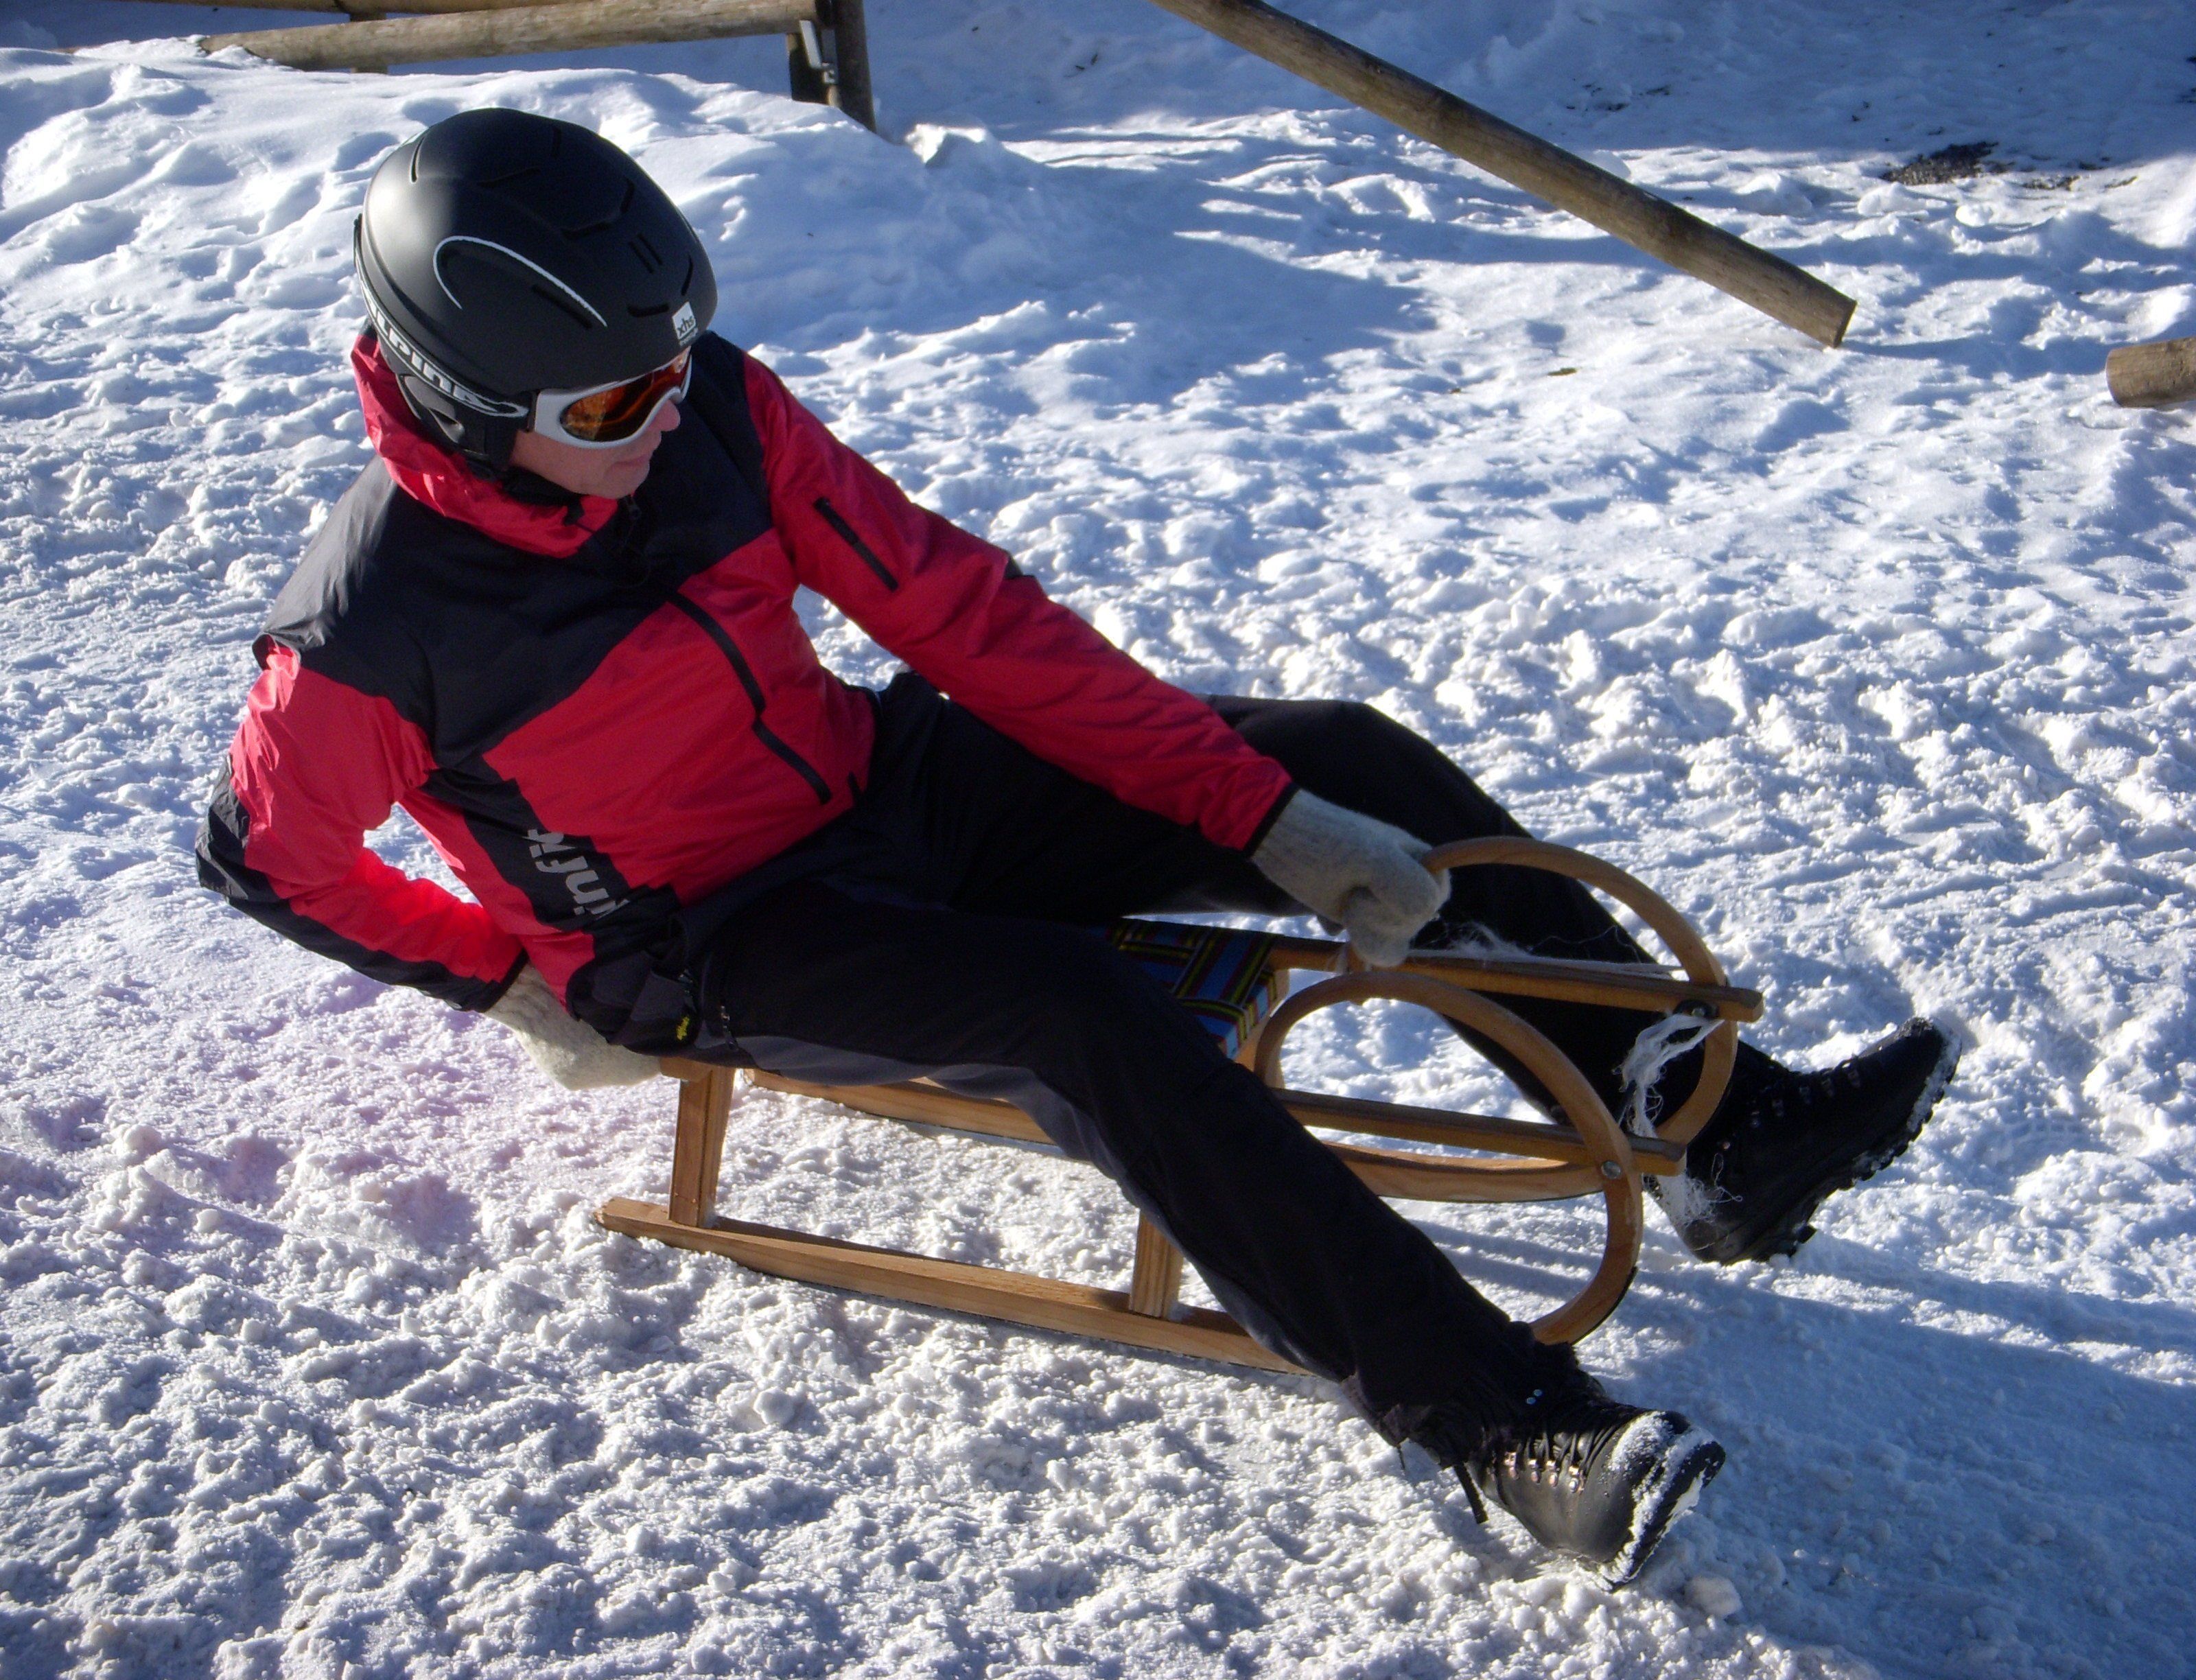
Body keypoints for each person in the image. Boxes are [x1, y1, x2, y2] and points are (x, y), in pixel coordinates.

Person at [196, 109, 1957, 1589]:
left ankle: (1708, 1127)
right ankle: (1505, 1426)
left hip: (879, 783)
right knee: (1080, 1013)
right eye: (605, 409)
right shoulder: (369, 629)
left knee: (1332, 752)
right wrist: (519, 982)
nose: (659, 418)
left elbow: (963, 616)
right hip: (707, 930)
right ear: (450, 391)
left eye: (670, 370)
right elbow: (268, 854)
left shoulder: (711, 418)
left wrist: (1261, 816)